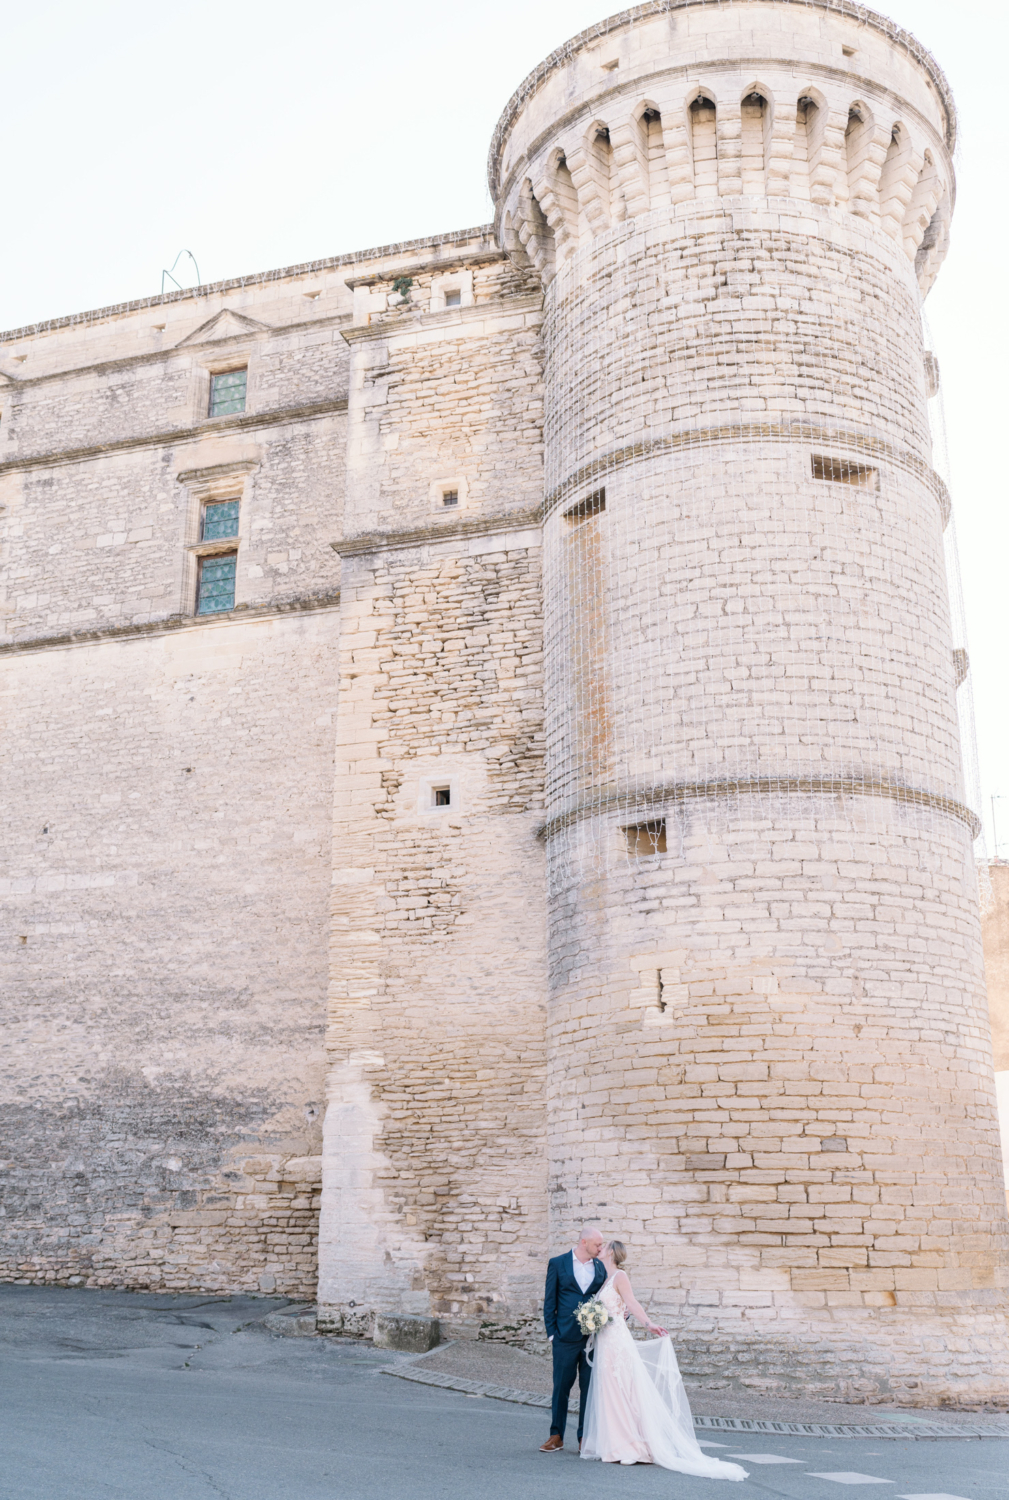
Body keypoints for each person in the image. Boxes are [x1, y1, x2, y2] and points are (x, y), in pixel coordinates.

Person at [579, 1240, 747, 1480]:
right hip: (606, 1342)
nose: (600, 1248)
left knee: (623, 1390)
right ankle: (614, 1444)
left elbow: (632, 1303)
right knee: (610, 1392)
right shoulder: (606, 1278)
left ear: (611, 1253)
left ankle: (634, 1447)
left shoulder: (620, 1276)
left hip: (617, 1342)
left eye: (604, 1246)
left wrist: (649, 1324)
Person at [539, 1225, 607, 1453]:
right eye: (598, 1244)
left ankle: (583, 1438)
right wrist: (552, 1334)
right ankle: (556, 1435)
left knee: (588, 1389)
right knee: (561, 1387)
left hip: (592, 1339)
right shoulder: (558, 1263)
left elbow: (606, 1297)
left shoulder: (601, 1267)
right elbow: (550, 1300)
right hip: (564, 1337)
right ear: (584, 1242)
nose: (601, 1248)